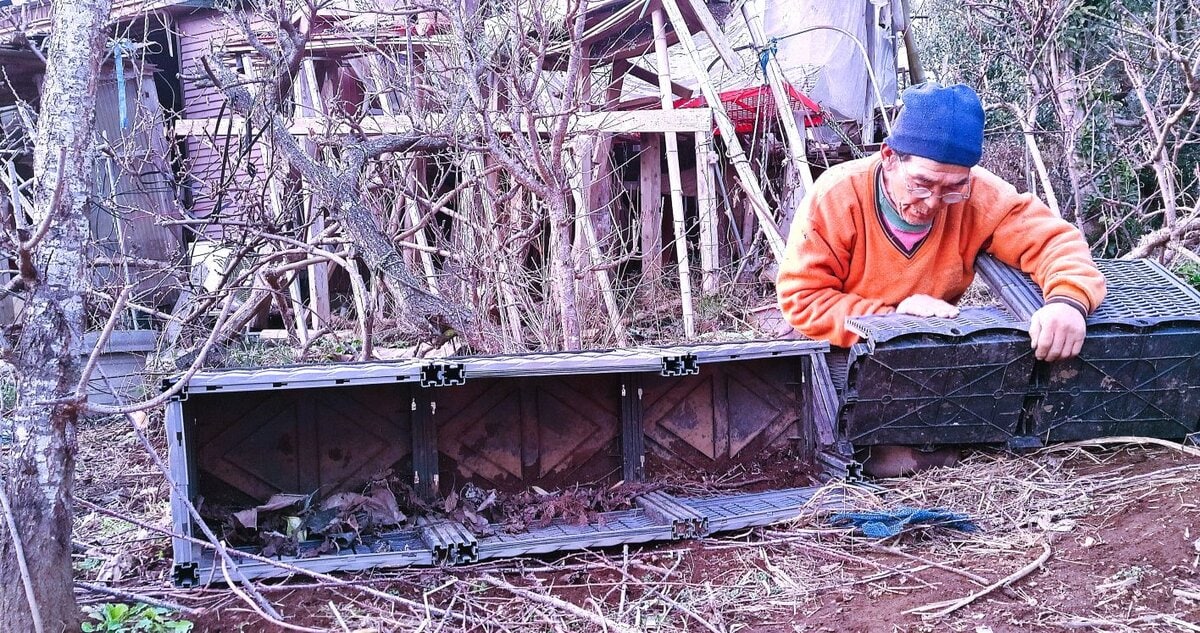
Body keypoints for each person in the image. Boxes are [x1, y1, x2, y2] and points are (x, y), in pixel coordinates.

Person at [776, 82, 1107, 476]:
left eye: (952, 189)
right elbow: (803, 299)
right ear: (889, 158)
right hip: (838, 347)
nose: (933, 202)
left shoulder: (979, 195)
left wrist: (1067, 301)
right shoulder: (836, 196)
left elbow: (1054, 241)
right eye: (922, 184)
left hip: (925, 357)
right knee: (838, 453)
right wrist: (893, 316)